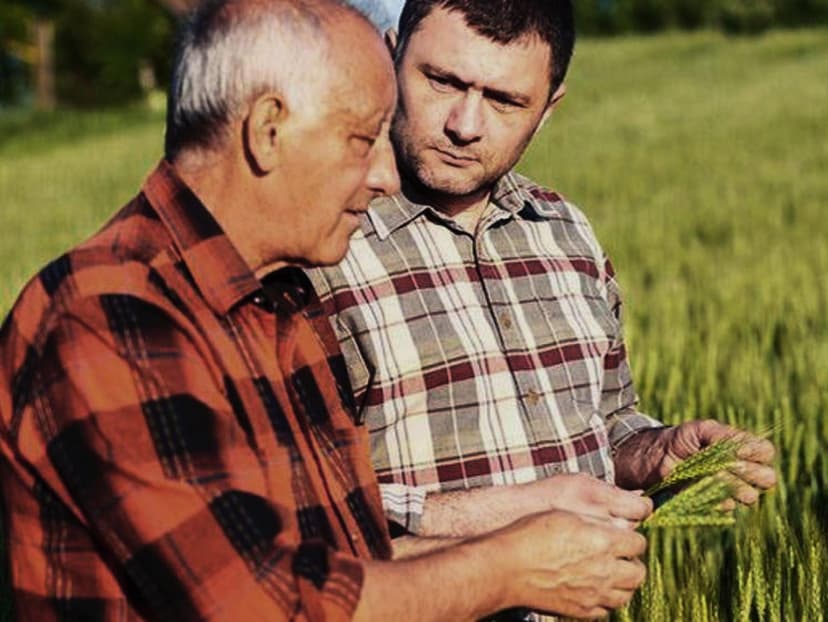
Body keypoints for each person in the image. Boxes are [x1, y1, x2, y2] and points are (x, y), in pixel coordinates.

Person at [0, 0, 651, 620]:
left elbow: (346, 563)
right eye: (362, 140)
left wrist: (529, 545)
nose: (385, 177)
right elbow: (263, 608)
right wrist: (509, 568)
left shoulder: (281, 307)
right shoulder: (107, 323)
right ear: (268, 131)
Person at [310, 0, 776, 552]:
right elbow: (286, 509)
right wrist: (506, 519)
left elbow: (603, 421)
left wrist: (651, 453)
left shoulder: (563, 230)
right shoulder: (315, 243)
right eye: (441, 81)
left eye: (505, 100)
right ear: (391, 57)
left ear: (549, 107)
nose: (464, 125)